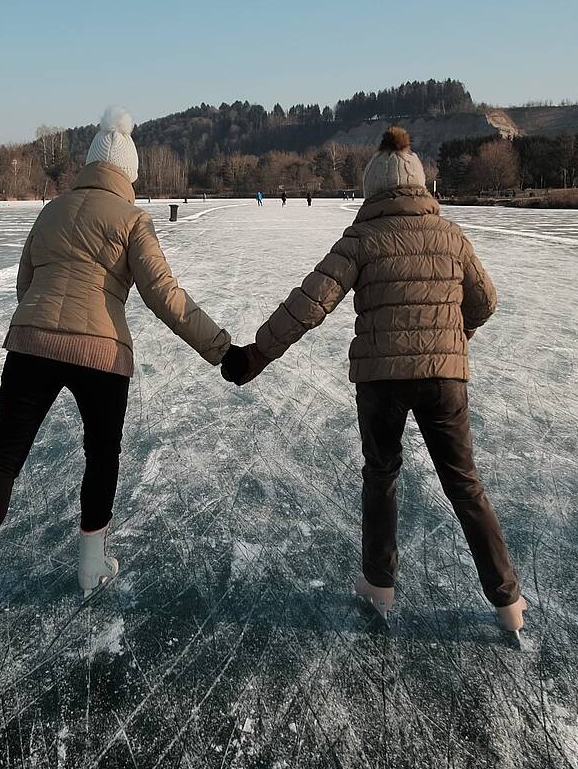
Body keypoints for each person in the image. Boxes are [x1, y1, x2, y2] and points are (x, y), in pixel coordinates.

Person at [220, 127, 525, 633]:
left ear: (373, 189)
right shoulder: (450, 235)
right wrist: (457, 334)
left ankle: (379, 583)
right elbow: (485, 300)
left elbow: (309, 304)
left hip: (380, 380)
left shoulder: (362, 238)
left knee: (381, 477)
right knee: (465, 484)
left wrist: (258, 354)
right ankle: (507, 600)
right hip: (443, 378)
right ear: (420, 185)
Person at [0, 106, 232, 619]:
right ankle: (91, 565)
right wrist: (222, 349)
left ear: (90, 164)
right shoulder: (133, 219)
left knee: (3, 460)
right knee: (102, 455)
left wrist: (39, 317)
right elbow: (165, 296)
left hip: (30, 345)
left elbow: (25, 281)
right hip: (101, 350)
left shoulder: (50, 209)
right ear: (130, 174)